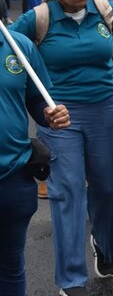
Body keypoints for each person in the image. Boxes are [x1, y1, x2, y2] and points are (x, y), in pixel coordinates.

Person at [9, 0, 113, 295]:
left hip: (104, 108)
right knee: (67, 191)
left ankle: (104, 246)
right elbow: (12, 50)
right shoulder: (38, 18)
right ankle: (71, 279)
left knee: (110, 185)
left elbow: (112, 46)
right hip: (59, 114)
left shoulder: (104, 9)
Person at [0, 28, 69, 296]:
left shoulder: (18, 45)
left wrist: (51, 113)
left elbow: (37, 99)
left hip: (14, 175)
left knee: (10, 266)